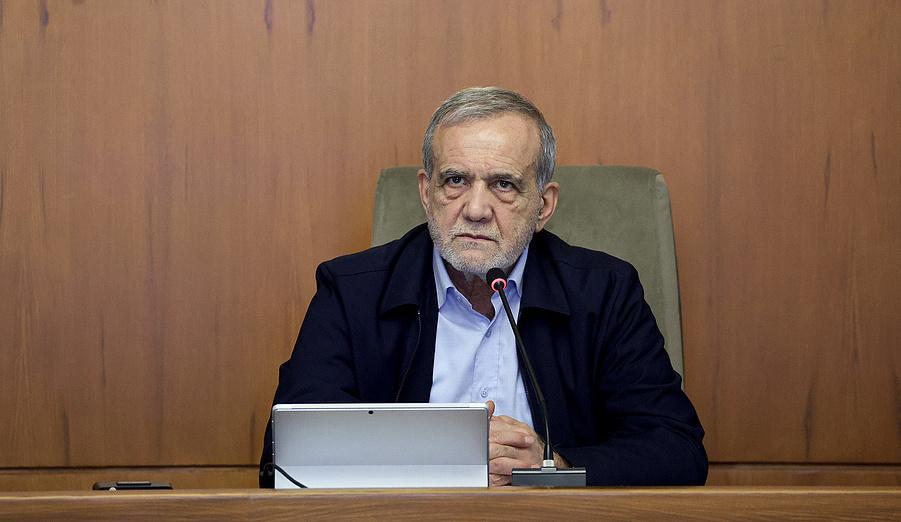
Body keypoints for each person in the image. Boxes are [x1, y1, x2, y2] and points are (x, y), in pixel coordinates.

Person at [260, 87, 707, 487]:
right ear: (426, 192)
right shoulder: (351, 292)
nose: (475, 209)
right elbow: (286, 458)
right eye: (456, 180)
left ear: (543, 206)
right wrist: (437, 461)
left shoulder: (604, 292)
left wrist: (553, 464)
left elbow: (676, 448)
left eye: (503, 184)